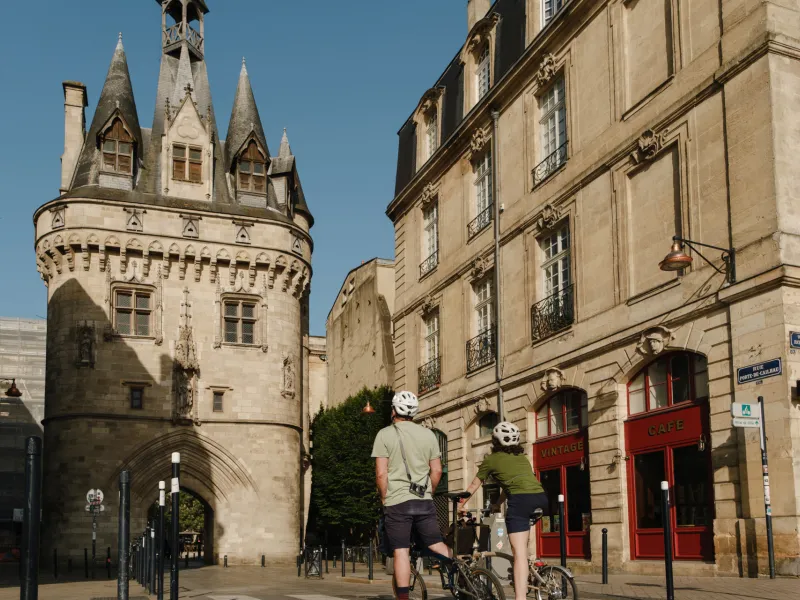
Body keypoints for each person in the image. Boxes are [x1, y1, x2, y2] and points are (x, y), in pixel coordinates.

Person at [372, 391, 451, 600]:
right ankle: (461, 573)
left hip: (397, 502)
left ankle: (404, 597)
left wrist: (384, 497)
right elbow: (437, 471)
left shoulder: (384, 434)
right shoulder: (429, 434)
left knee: (401, 551)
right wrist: (429, 492)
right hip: (423, 500)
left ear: (393, 411)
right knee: (436, 544)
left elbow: (381, 473)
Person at [460, 421, 547, 600]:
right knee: (523, 546)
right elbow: (511, 485)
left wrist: (461, 504)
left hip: (520, 501)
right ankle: (533, 571)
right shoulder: (521, 458)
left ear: (495, 441)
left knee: (519, 554)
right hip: (541, 497)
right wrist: (498, 503)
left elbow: (474, 485)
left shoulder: (491, 459)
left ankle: (520, 597)